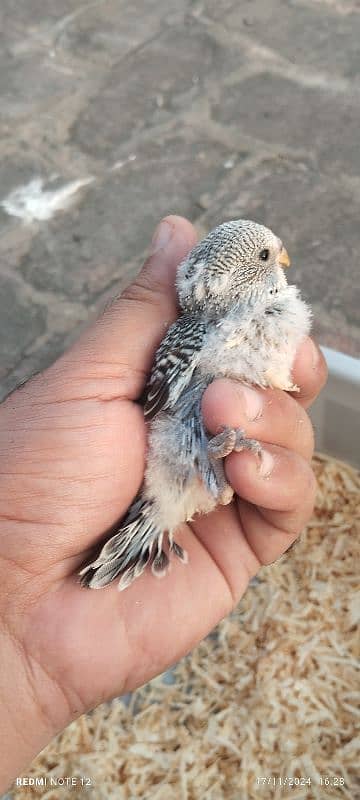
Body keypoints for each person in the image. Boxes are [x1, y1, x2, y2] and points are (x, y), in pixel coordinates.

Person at [0, 216, 327, 790]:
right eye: (269, 254)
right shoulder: (199, 330)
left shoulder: (262, 319)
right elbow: (159, 408)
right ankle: (168, 507)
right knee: (234, 424)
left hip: (197, 472)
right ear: (248, 274)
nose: (282, 259)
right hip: (175, 459)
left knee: (246, 425)